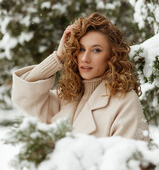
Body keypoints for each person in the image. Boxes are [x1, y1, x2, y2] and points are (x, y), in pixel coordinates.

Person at [12, 13, 149, 141]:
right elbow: (25, 97)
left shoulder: (125, 101)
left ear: (112, 56)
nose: (84, 58)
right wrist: (59, 57)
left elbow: (130, 161)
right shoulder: (66, 96)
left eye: (96, 50)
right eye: (81, 49)